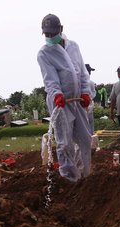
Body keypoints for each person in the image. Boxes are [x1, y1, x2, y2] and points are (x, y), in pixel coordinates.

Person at [37, 14, 92, 182]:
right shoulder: (44, 53)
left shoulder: (73, 46)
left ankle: (85, 174)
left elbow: (82, 72)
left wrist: (86, 91)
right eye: (47, 34)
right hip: (60, 103)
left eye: (53, 33)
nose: (50, 37)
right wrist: (57, 94)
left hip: (77, 101)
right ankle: (69, 177)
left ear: (61, 29)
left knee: (84, 138)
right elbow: (50, 79)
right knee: (64, 141)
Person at [85, 64, 96, 134]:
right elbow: (93, 94)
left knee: (89, 123)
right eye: (89, 71)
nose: (90, 73)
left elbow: (93, 93)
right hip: (84, 105)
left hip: (89, 105)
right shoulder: (89, 82)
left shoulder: (91, 82)